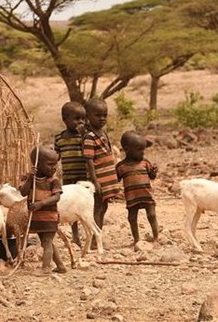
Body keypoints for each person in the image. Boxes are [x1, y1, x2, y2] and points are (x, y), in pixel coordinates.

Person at [19, 145, 67, 275]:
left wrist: (40, 204)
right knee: (47, 243)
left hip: (49, 217)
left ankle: (46, 269)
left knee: (47, 241)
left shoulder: (53, 180)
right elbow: (23, 192)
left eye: (55, 164)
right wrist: (31, 178)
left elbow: (56, 197)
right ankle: (61, 266)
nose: (54, 168)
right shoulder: (29, 178)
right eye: (50, 164)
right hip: (37, 218)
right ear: (37, 164)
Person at [83, 98, 122, 245]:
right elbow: (89, 160)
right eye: (98, 115)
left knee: (103, 206)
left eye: (104, 115)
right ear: (88, 116)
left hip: (107, 178)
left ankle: (97, 234)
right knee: (97, 207)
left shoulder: (103, 133)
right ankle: (94, 239)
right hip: (98, 179)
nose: (102, 118)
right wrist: (94, 181)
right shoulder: (89, 137)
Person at [116, 130, 159, 246]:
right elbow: (116, 180)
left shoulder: (145, 163)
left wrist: (154, 172)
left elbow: (152, 176)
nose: (142, 153)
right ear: (127, 149)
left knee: (152, 215)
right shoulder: (121, 166)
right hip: (131, 198)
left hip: (147, 195)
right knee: (132, 218)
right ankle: (136, 239)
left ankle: (156, 238)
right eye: (139, 150)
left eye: (143, 150)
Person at [54, 101, 87, 248]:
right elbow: (56, 158)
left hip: (84, 177)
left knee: (85, 206)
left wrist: (84, 135)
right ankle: (75, 236)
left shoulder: (84, 137)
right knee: (72, 207)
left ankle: (89, 234)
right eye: (77, 118)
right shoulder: (59, 138)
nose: (81, 122)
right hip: (68, 178)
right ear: (65, 120)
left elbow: (90, 150)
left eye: (83, 118)